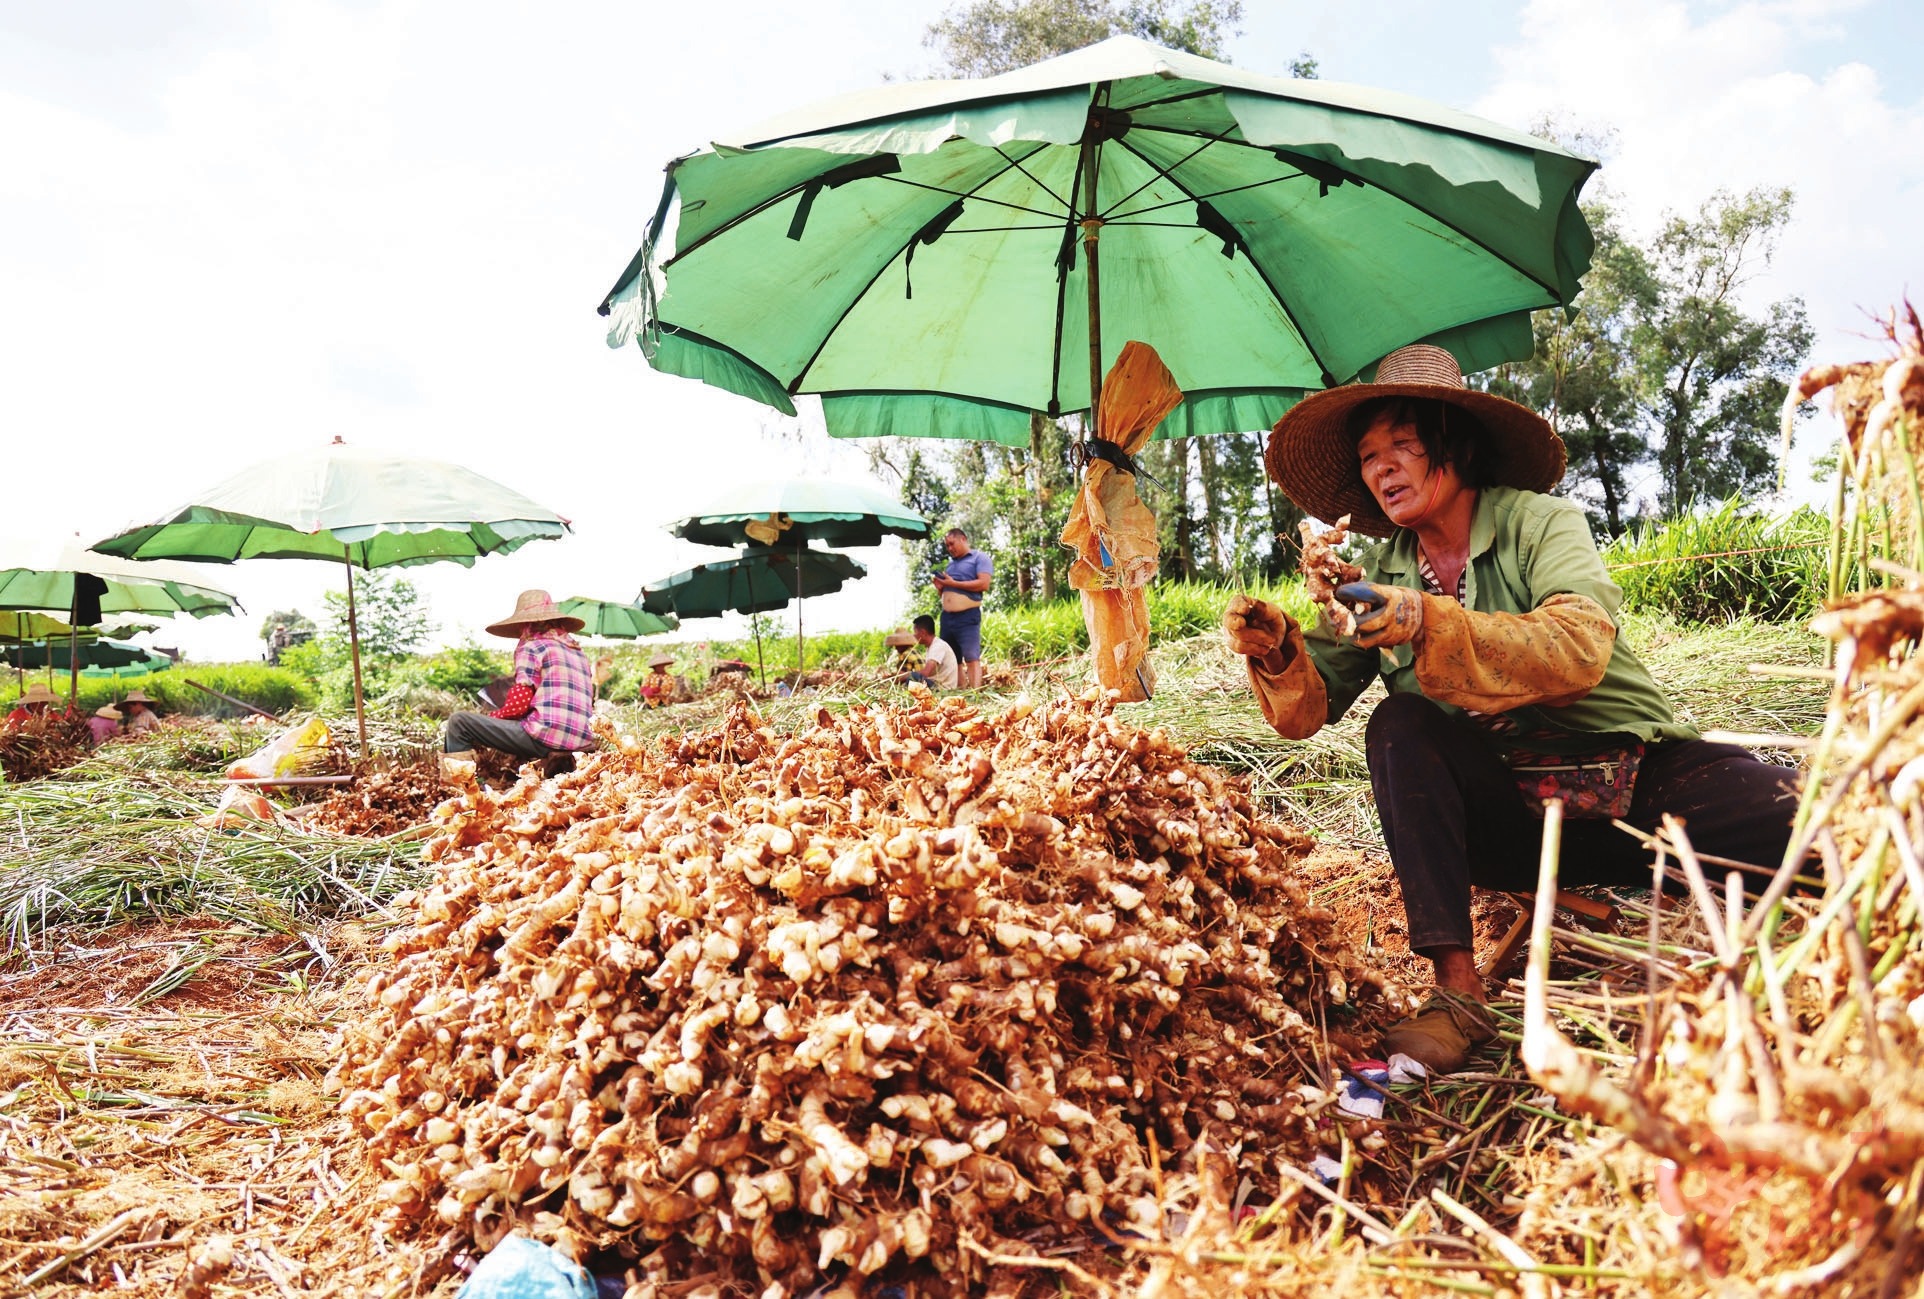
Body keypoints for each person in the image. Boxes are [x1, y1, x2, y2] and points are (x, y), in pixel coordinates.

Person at [1226, 343, 1802, 1073]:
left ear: (1456, 447)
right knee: (1399, 723)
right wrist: (1278, 650)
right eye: (1371, 455)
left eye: (1404, 444)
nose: (1383, 467)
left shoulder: (1540, 523)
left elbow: (1576, 645)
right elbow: (1308, 706)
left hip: (1634, 791)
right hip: (1515, 826)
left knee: (1811, 825)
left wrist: (1424, 620)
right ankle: (1458, 994)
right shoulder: (1380, 577)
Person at [442, 590, 595, 781]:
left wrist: (493, 717)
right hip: (582, 740)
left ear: (525, 624)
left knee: (459, 722)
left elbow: (518, 705)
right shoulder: (577, 652)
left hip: (548, 735)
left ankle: (460, 789)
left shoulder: (532, 646)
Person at [932, 527, 992, 688]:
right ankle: (960, 691)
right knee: (952, 657)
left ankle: (975, 692)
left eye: (952, 544)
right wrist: (941, 587)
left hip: (967, 616)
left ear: (963, 539)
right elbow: (947, 593)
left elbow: (984, 584)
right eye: (947, 546)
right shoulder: (951, 566)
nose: (950, 548)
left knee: (971, 656)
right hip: (947, 617)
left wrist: (953, 583)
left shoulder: (979, 558)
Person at [899, 614, 958, 689]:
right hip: (937, 684)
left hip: (943, 688)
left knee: (912, 678)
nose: (914, 635)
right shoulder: (931, 646)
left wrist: (907, 675)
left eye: (915, 632)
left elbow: (926, 673)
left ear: (923, 633)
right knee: (911, 678)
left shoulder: (938, 646)